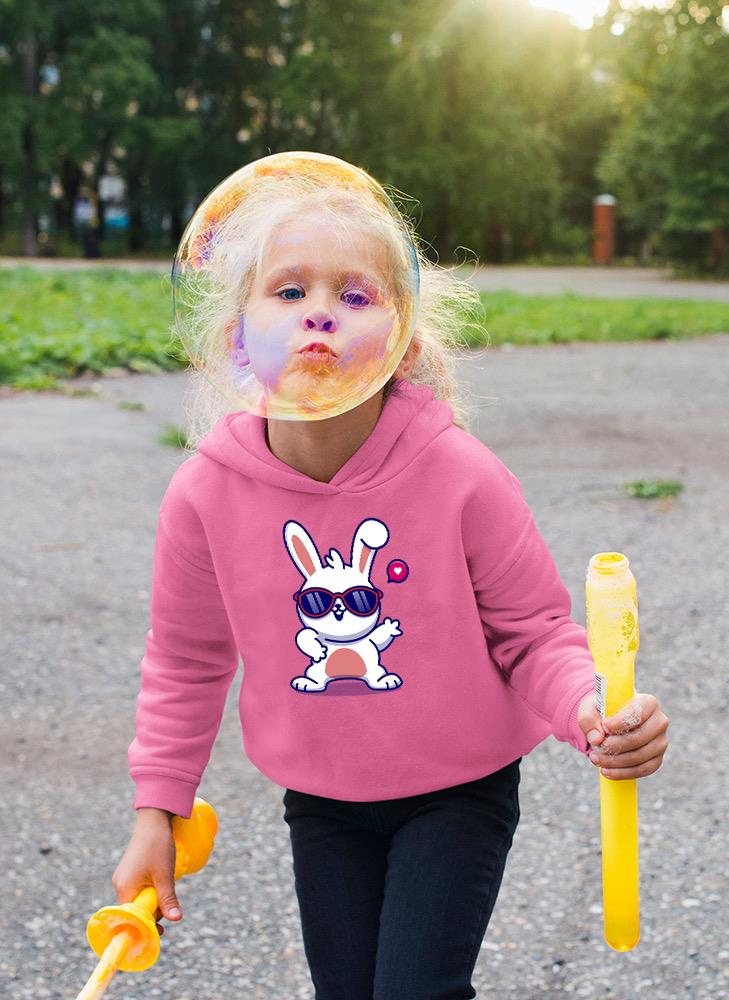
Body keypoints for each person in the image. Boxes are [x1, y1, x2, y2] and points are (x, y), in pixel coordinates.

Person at [111, 154, 670, 999]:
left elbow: (532, 631)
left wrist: (591, 708)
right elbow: (187, 661)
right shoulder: (203, 495)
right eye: (289, 292)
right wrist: (158, 810)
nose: (320, 318)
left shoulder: (462, 475)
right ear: (238, 334)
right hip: (322, 800)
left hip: (459, 790)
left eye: (356, 295)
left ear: (402, 337)